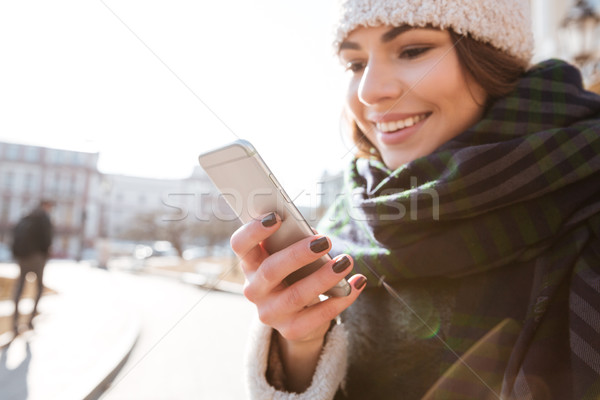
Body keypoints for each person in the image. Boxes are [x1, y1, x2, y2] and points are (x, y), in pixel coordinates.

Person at [233, 0, 600, 399]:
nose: (371, 92)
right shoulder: (347, 223)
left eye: (412, 51)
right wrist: (300, 345)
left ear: (494, 59)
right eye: (355, 65)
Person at [11, 200, 54, 335]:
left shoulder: (26, 216)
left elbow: (14, 234)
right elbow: (47, 239)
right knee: (39, 288)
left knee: (20, 288)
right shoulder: (44, 219)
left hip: (22, 258)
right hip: (37, 258)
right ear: (45, 206)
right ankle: (30, 321)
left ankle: (15, 322)